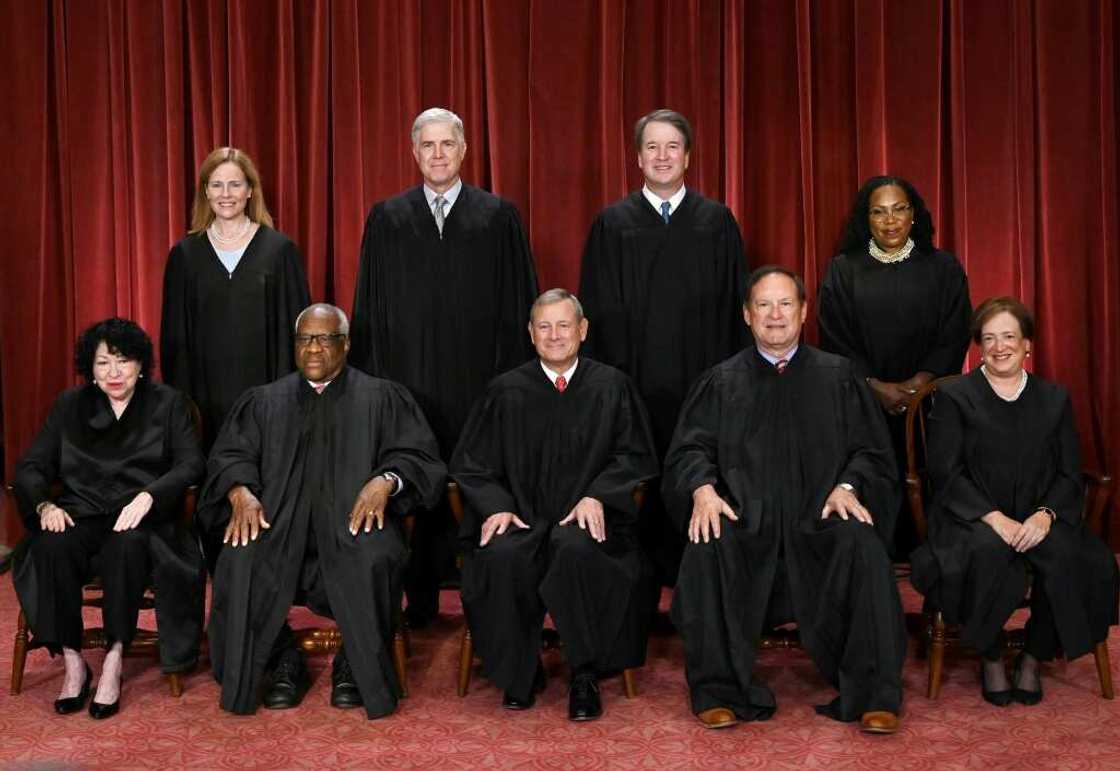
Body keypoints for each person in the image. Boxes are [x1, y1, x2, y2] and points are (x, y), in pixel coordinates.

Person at [664, 266, 906, 734]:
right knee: (707, 543)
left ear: (803, 311)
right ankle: (717, 691)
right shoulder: (721, 381)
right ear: (747, 315)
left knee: (863, 544)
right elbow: (689, 449)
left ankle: (875, 694)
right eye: (764, 305)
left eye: (785, 304)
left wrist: (849, 486)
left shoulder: (838, 377)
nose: (775, 316)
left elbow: (872, 451)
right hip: (743, 520)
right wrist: (703, 489)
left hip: (819, 519)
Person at [198, 304, 446, 719]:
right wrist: (241, 491)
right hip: (277, 523)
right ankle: (282, 658)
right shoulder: (264, 401)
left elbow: (419, 457)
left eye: (325, 339)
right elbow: (229, 456)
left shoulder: (381, 397)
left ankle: (355, 659)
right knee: (240, 558)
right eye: (304, 339)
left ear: (345, 344)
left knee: (375, 557)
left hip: (354, 523)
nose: (313, 348)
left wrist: (385, 480)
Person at [351, 107, 538, 627]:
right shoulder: (387, 217)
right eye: (427, 146)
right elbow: (370, 304)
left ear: (463, 150)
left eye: (446, 145)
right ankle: (420, 596)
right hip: (407, 379)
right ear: (414, 153)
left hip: (479, 379)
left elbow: (518, 302)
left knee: (477, 478)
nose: (437, 154)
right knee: (412, 475)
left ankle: (483, 597)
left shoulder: (498, 215)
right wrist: (375, 382)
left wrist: (512, 381)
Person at [452, 289, 659, 721]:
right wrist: (496, 506)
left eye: (564, 325)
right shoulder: (505, 391)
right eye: (544, 326)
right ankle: (518, 674)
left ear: (582, 330)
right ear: (530, 334)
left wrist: (598, 495)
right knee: (504, 555)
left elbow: (635, 457)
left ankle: (584, 673)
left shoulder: (611, 386)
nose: (554, 335)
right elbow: (471, 464)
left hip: (588, 522)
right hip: (522, 517)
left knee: (577, 549)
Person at [910, 297, 1119, 706]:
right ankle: (989, 655)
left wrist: (1045, 515)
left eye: (1009, 336)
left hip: (1040, 514)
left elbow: (1067, 471)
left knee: (1073, 558)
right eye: (988, 338)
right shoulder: (955, 397)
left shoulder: (1054, 398)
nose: (999, 346)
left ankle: (1033, 656)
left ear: (1028, 344)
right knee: (985, 553)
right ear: (978, 346)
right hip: (972, 517)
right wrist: (994, 519)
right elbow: (945, 473)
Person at [579, 108, 747, 587]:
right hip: (634, 383)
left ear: (688, 156)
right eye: (652, 147)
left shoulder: (716, 222)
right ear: (637, 158)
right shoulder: (613, 224)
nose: (662, 156)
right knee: (637, 477)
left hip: (703, 381)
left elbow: (739, 307)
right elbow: (596, 310)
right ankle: (637, 586)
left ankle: (698, 581)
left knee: (700, 469)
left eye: (672, 146)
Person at [11, 318, 205, 719]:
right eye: (103, 363)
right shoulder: (69, 406)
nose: (114, 372)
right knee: (51, 544)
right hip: (80, 513)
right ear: (90, 369)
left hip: (141, 517)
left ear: (140, 364)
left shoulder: (167, 404)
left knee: (128, 544)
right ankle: (73, 661)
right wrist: (45, 506)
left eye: (123, 361)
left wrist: (152, 495)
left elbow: (191, 464)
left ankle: (115, 658)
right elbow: (32, 466)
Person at [818, 175, 971, 557]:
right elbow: (834, 336)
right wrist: (875, 387)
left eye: (899, 209)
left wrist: (921, 383)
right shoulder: (844, 269)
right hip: (863, 402)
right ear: (865, 219)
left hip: (932, 404)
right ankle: (872, 556)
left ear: (914, 215)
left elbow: (956, 330)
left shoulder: (943, 267)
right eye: (878, 212)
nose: (890, 221)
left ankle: (937, 557)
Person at [160, 146, 310, 451]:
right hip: (205, 398)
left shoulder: (279, 251)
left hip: (269, 397)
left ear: (251, 191)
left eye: (235, 184)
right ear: (205, 192)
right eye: (216, 184)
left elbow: (298, 333)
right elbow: (174, 340)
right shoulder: (185, 256)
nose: (225, 194)